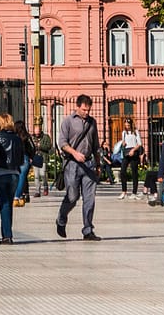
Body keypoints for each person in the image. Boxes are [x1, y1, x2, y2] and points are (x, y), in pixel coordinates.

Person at [56, 93, 101, 241]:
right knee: (72, 197)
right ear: (77, 107)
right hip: (73, 164)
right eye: (84, 110)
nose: (86, 113)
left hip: (88, 164)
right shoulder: (68, 122)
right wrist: (74, 153)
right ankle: (61, 219)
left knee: (89, 199)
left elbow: (96, 146)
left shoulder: (92, 123)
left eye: (88, 110)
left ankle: (88, 230)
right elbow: (62, 143)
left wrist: (98, 164)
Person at [0, 113, 31, 245]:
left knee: (4, 204)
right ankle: (6, 233)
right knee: (8, 203)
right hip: (14, 174)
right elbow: (21, 158)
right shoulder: (18, 138)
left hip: (0, 173)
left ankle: (7, 236)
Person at [116, 127, 144, 199]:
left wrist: (133, 150)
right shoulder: (124, 132)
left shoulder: (135, 131)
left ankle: (134, 192)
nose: (127, 125)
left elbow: (139, 143)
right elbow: (123, 141)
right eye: (125, 124)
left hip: (134, 152)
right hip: (126, 152)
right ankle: (124, 191)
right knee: (122, 171)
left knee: (134, 172)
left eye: (128, 124)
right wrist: (123, 143)